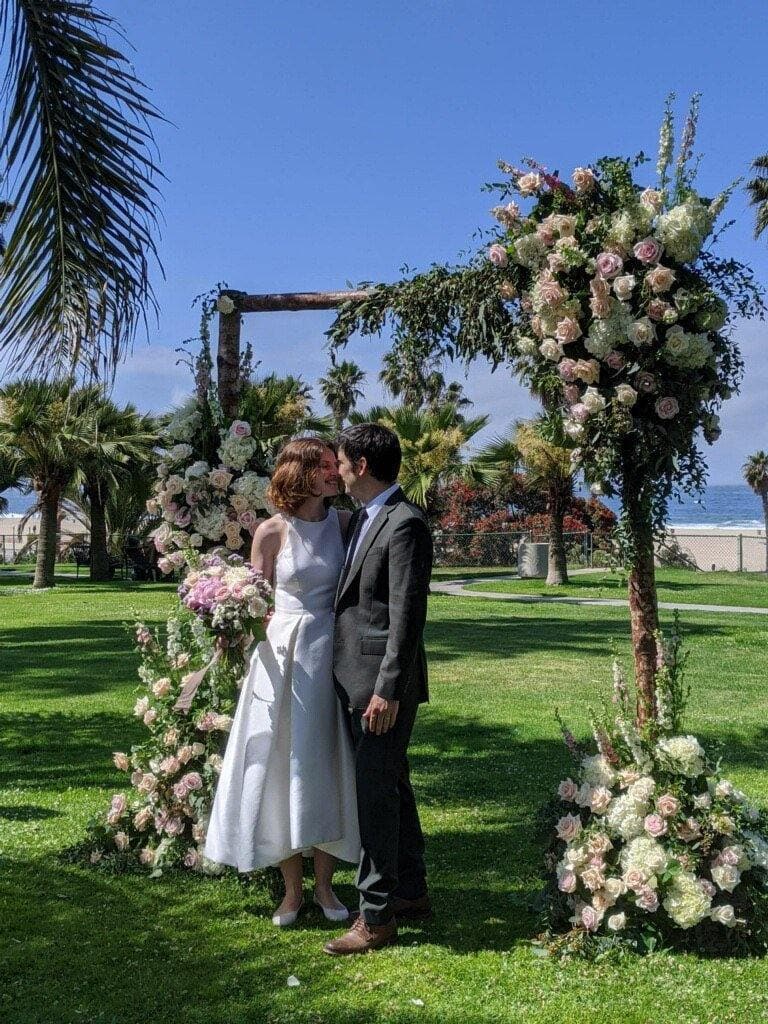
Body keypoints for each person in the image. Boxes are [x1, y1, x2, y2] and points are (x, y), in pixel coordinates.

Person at [204, 437, 360, 926]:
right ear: (302, 473)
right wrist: (228, 622)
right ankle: (292, 891)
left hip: (331, 652)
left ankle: (327, 889)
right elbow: (256, 600)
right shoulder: (271, 532)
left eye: (337, 466)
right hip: (281, 656)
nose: (336, 472)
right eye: (327, 466)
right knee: (283, 763)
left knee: (325, 763)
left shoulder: (345, 524)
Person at [324, 423, 433, 956]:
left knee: (374, 797)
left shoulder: (405, 523)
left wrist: (387, 690)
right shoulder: (364, 520)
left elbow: (407, 618)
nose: (338, 470)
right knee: (392, 786)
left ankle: (376, 916)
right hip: (356, 677)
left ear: (362, 465)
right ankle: (410, 892)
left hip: (379, 687)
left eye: (341, 462)